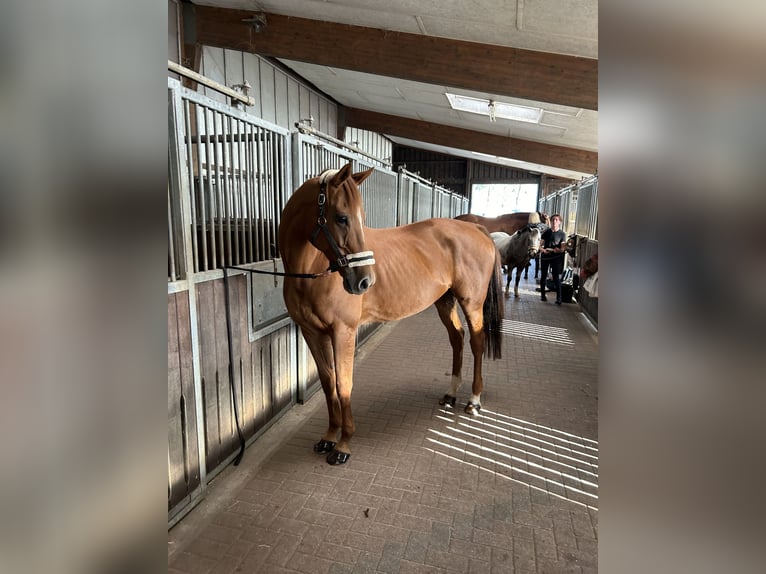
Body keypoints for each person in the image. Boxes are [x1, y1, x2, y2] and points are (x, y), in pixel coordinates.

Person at [539, 214, 567, 305]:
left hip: (556, 257)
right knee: (543, 276)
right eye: (553, 220)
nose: (554, 221)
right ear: (550, 222)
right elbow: (539, 245)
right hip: (546, 256)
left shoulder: (562, 234)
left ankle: (559, 299)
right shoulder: (546, 232)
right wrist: (543, 250)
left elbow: (563, 248)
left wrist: (559, 250)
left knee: (556, 277)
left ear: (559, 222)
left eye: (556, 220)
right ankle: (543, 295)